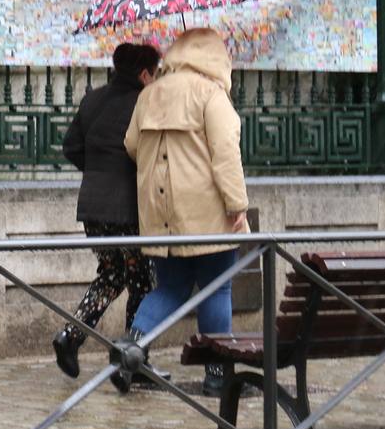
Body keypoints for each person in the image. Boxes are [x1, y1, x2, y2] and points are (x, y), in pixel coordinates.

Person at [117, 27, 250, 397]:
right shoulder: (212, 94)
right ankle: (217, 373)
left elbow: (130, 145)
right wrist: (237, 204)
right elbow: (226, 154)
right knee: (217, 288)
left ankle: (132, 346)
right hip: (206, 211)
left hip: (159, 212)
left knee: (171, 287)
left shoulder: (150, 93)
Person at [53, 42, 163, 383]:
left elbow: (71, 146)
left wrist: (99, 172)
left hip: (93, 208)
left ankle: (70, 337)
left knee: (113, 275)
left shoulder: (93, 99)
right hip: (128, 210)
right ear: (145, 73)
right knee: (142, 282)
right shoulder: (145, 103)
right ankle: (131, 360)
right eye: (155, 73)